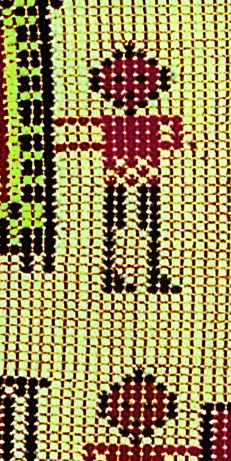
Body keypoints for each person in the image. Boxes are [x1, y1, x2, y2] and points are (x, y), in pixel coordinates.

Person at [58, 47, 185, 293]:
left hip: (146, 180)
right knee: (118, 224)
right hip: (118, 179)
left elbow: (175, 138)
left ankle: (149, 272)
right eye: (117, 81)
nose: (129, 90)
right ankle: (114, 272)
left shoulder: (147, 123)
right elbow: (81, 135)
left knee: (148, 224)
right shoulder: (116, 124)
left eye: (141, 80)